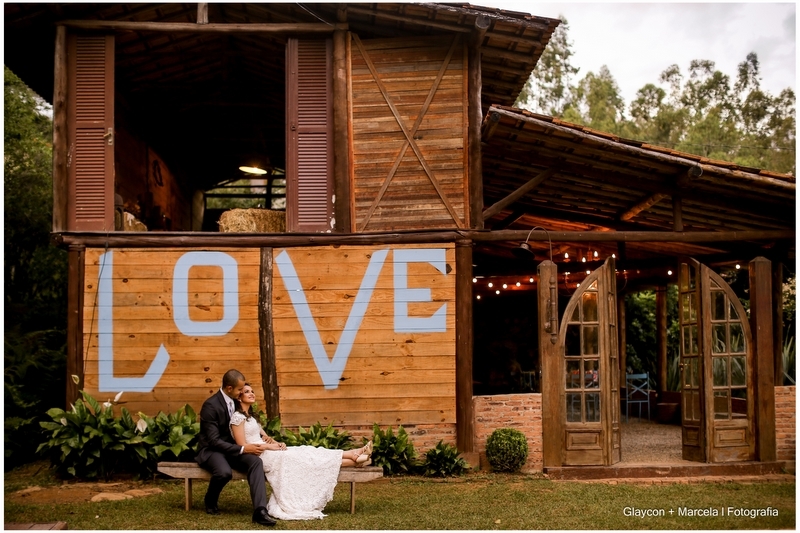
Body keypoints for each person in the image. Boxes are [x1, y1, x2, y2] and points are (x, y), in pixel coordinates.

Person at [231, 383, 372, 520]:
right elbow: (243, 445)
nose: (251, 394)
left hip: (270, 451)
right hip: (261, 456)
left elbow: (265, 437)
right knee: (304, 458)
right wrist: (270, 447)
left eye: (252, 391)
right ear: (239, 397)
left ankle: (354, 457)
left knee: (307, 452)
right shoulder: (237, 418)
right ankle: (354, 456)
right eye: (247, 392)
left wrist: (276, 443)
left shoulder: (252, 417)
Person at [195, 369, 276, 526]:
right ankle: (210, 500)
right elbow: (213, 440)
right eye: (240, 389)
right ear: (229, 388)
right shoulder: (210, 406)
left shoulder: (236, 401)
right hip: (212, 450)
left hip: (232, 448)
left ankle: (260, 511)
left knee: (255, 462)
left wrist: (260, 438)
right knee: (224, 472)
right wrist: (244, 449)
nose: (242, 392)